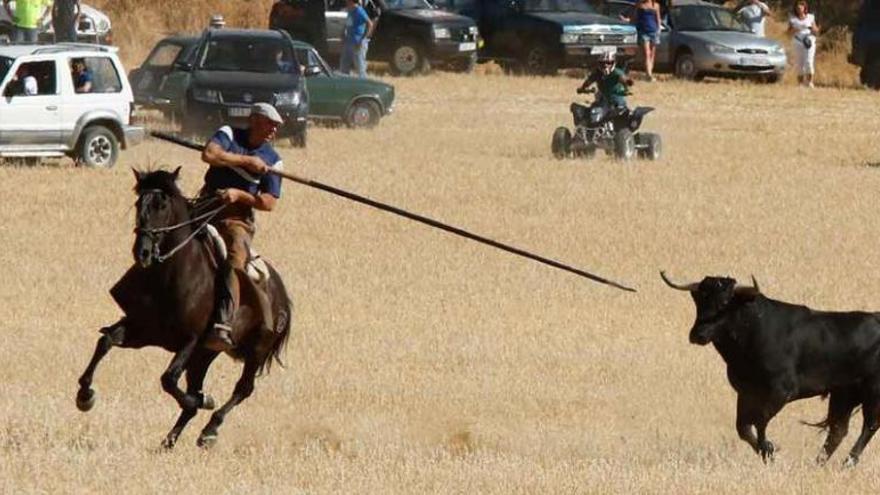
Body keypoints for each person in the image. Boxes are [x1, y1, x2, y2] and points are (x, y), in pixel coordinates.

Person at [200, 102, 284, 351]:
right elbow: (209, 154)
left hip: (236, 218)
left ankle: (224, 323)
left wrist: (239, 194)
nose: (274, 131)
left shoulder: (274, 161)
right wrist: (247, 160)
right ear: (255, 120)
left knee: (236, 255)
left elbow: (268, 203)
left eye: (276, 127)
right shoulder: (228, 134)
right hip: (205, 204)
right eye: (270, 124)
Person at [622, 0, 661, 82]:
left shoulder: (656, 5)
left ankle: (649, 73)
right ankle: (649, 74)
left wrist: (658, 30)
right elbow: (635, 17)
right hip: (644, 32)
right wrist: (628, 20)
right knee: (647, 53)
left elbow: (658, 19)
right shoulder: (640, 5)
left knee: (652, 54)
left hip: (654, 31)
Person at [339, 0, 374, 78]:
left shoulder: (359, 10)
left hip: (358, 43)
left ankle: (363, 84)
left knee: (360, 67)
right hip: (348, 41)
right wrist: (342, 34)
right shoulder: (349, 10)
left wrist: (363, 39)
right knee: (344, 66)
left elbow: (370, 24)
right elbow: (347, 23)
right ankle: (344, 84)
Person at [788, 0, 819, 88]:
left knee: (809, 62)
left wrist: (812, 29)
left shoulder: (810, 17)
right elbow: (787, 33)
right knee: (799, 63)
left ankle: (810, 82)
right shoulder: (792, 19)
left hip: (809, 42)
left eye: (801, 5)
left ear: (805, 7)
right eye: (797, 6)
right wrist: (794, 30)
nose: (799, 7)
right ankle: (800, 83)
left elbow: (816, 30)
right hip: (797, 42)